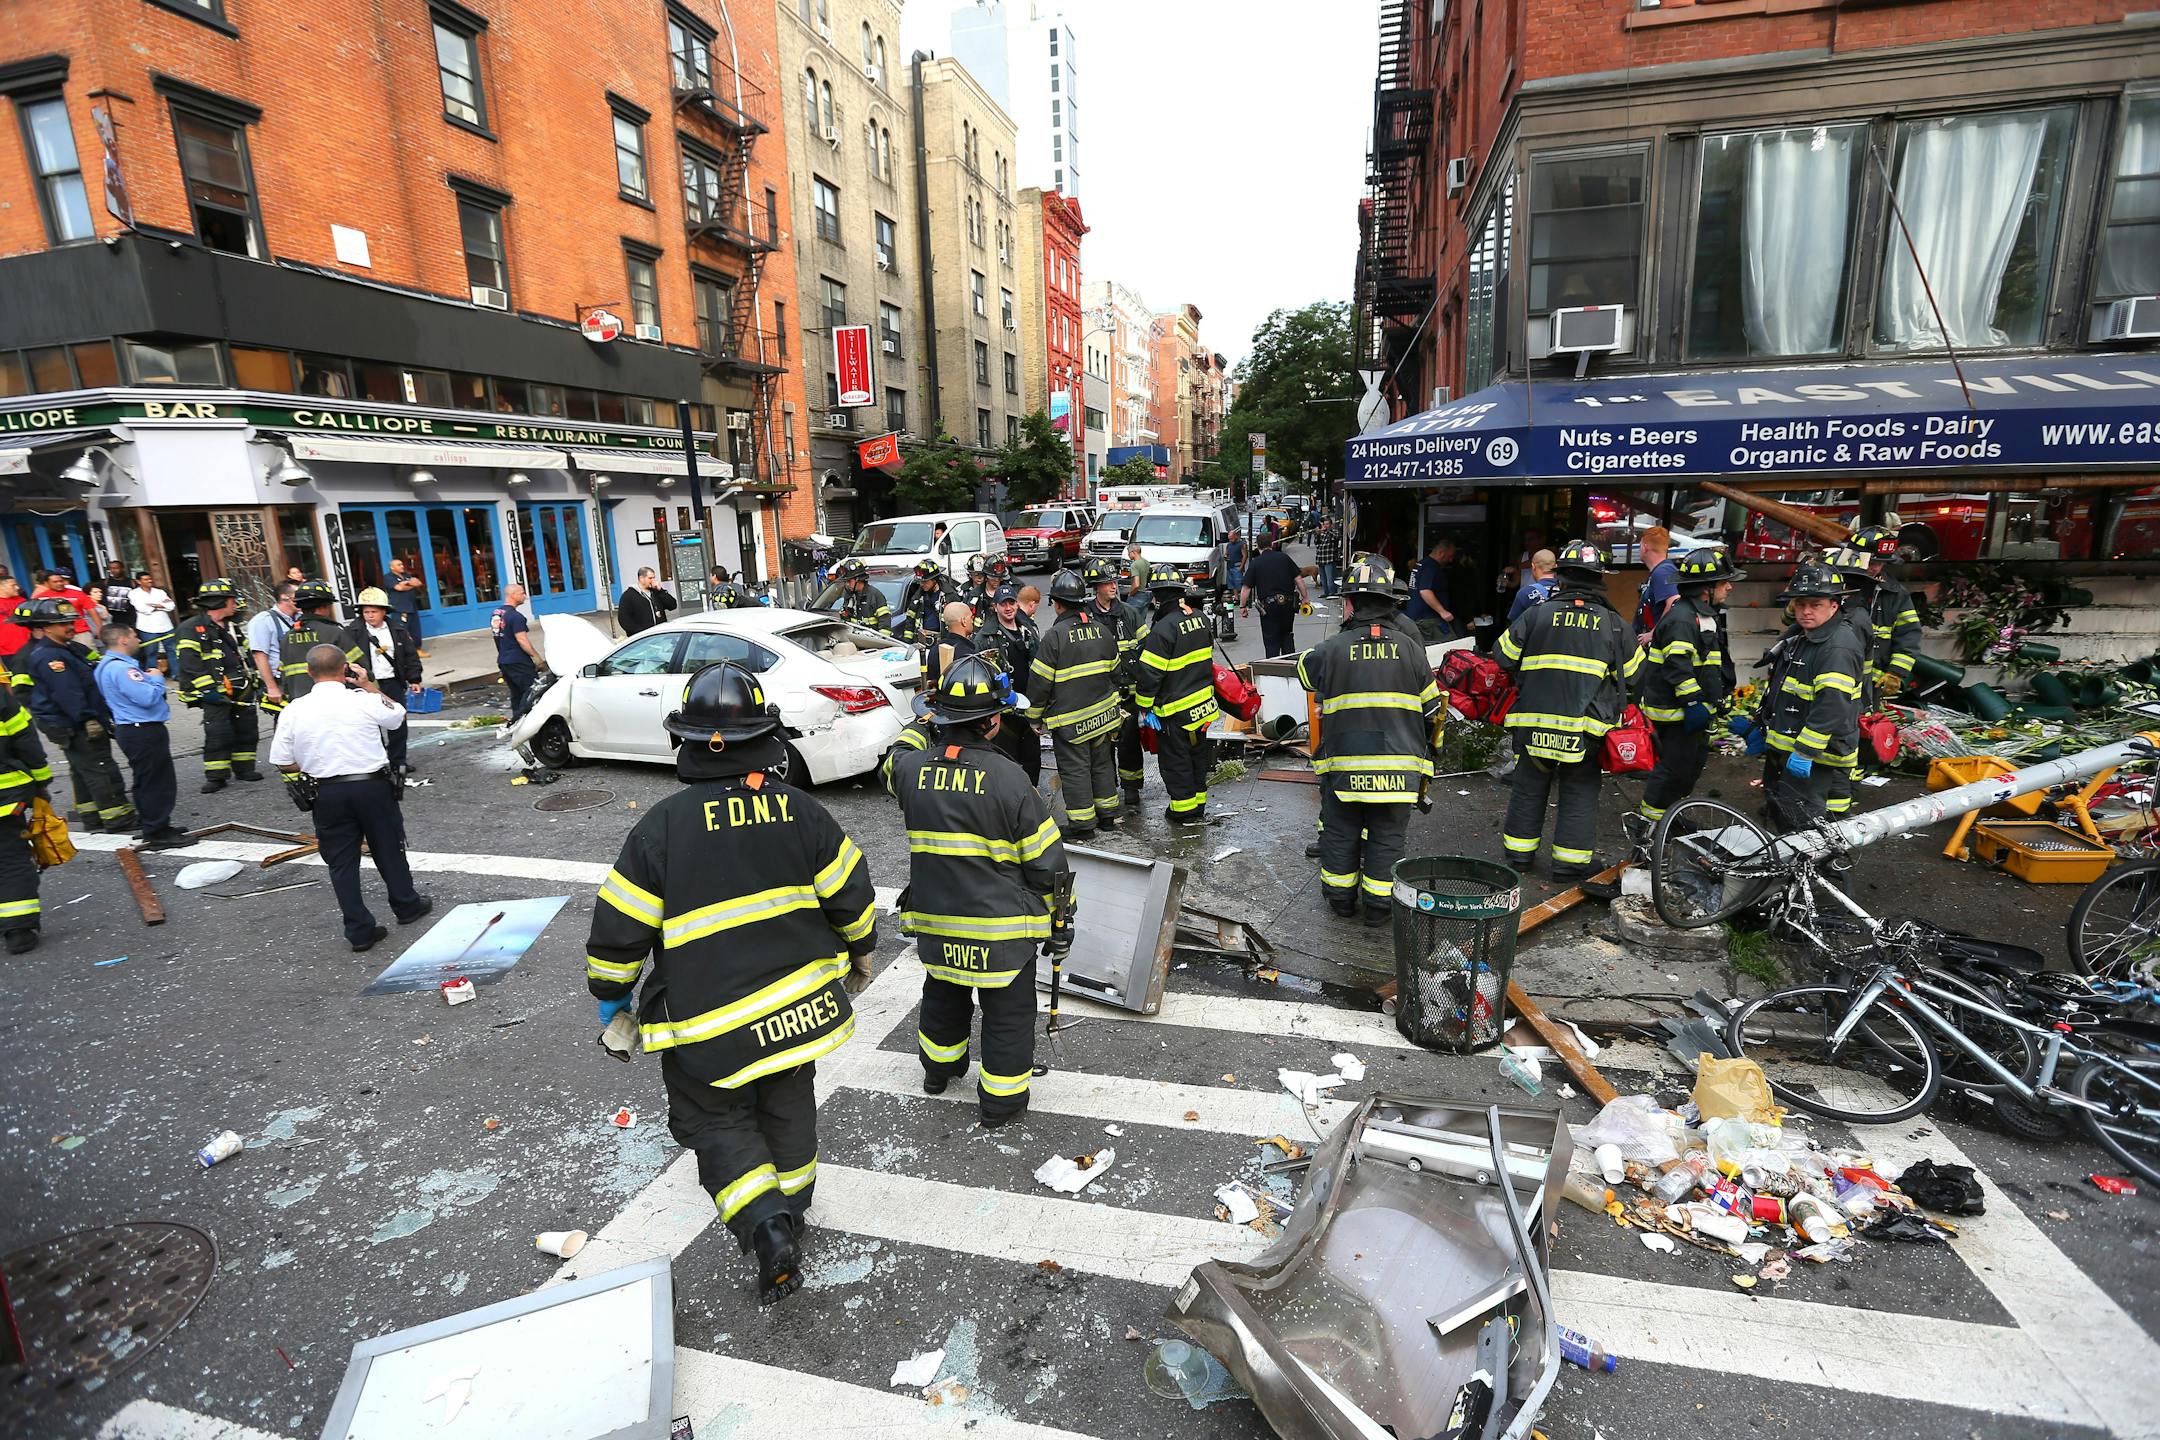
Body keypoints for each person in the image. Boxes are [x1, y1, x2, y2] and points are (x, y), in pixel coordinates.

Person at [584, 660, 877, 1305]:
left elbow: (619, 931)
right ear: (766, 740)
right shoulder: (802, 812)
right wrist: (860, 953)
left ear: (684, 741)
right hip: (800, 1010)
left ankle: (765, 1221)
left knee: (713, 1120)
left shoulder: (662, 827)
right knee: (789, 1099)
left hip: (709, 1028)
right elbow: (853, 899)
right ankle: (793, 1204)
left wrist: (612, 997)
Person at [893, 652, 1072, 1130]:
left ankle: (938, 1069)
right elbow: (1046, 862)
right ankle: (1001, 1099)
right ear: (993, 721)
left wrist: (921, 724)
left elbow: (894, 758)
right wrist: (1061, 917)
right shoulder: (1010, 779)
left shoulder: (910, 771)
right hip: (999, 929)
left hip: (935, 919)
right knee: (1008, 1011)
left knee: (943, 994)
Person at [1295, 555, 1444, 923]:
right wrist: (1431, 755)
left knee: (1341, 831)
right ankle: (1379, 908)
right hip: (1400, 765)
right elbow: (1432, 710)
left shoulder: (1331, 650)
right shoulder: (1411, 648)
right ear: (1392, 602)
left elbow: (1305, 674)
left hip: (1346, 766)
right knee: (1387, 836)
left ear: (1351, 603)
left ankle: (1340, 901)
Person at [269, 644, 431, 951]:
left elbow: (281, 760)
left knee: (341, 862)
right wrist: (369, 685)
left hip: (327, 790)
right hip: (372, 787)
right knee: (389, 849)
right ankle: (406, 906)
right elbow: (397, 716)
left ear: (309, 672)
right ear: (345, 668)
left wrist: (316, 764)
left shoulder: (293, 710)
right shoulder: (363, 700)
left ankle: (359, 930)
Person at [1494, 541, 1640, 881]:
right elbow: (1634, 676)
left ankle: (1518, 858)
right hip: (1584, 732)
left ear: (1561, 579)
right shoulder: (1615, 625)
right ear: (1599, 579)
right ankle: (1569, 865)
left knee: (1529, 788)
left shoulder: (1536, 615)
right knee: (1579, 790)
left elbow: (1502, 657)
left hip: (1533, 726)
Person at [1631, 547, 1743, 843]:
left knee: (1688, 768)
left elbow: (1708, 662)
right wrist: (1694, 702)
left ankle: (1670, 817)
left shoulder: (1700, 614)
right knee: (1672, 770)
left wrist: (1720, 696)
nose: (1729, 587)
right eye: (1723, 582)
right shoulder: (1683, 618)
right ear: (1706, 588)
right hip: (1674, 710)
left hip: (1689, 709)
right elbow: (1678, 666)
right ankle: (1650, 827)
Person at [1760, 560, 1865, 831]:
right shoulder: (1805, 637)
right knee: (1792, 817)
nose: (1806, 611)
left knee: (1804, 826)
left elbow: (1831, 707)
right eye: (1801, 604)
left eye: (1815, 604)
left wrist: (1805, 751)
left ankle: (1812, 870)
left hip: (1818, 756)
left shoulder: (1837, 647)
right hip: (1795, 748)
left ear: (1834, 605)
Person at [21, 598, 136, 833]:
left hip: (68, 721)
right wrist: (88, 719)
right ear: (46, 627)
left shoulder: (68, 648)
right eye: (63, 623)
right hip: (74, 722)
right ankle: (118, 818)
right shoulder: (51, 657)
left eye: (72, 620)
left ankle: (92, 816)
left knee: (83, 770)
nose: (71, 626)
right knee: (100, 767)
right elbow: (68, 694)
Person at [1029, 569, 1123, 836]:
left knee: (1076, 770)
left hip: (1071, 723)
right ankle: (1107, 816)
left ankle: (1083, 825)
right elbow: (1116, 673)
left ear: (1057, 604)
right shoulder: (1102, 631)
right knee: (1103, 765)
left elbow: (1040, 683)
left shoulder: (1055, 636)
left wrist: (1034, 718)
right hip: (1104, 717)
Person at [1134, 577, 1220, 825]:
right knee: (1198, 758)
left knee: (1176, 762)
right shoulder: (1200, 618)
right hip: (1202, 707)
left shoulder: (1163, 629)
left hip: (1175, 712)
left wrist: (1144, 706)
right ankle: (1199, 805)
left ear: (1157, 598)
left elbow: (1150, 673)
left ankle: (1182, 811)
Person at [93, 623, 188, 849]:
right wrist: (156, 678)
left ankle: (153, 825)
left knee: (145, 780)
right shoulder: (123, 669)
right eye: (134, 635)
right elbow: (146, 697)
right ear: (123, 640)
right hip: (143, 729)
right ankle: (158, 833)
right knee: (157, 782)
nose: (138, 639)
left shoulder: (105, 665)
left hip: (132, 728)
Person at [175, 579, 264, 791]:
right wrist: (209, 690)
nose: (236, 604)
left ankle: (244, 769)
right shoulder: (190, 628)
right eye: (232, 599)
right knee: (218, 733)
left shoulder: (232, 626)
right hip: (215, 693)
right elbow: (190, 663)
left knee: (247, 730)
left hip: (242, 689)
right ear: (221, 602)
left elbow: (247, 654)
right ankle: (216, 776)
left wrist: (257, 680)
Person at [1085, 557, 1148, 806]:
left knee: (1130, 746)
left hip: (1129, 697)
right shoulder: (1086, 616)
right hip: (1100, 698)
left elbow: (1146, 650)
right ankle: (1106, 788)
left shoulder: (1130, 614)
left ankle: (1132, 788)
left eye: (1114, 581)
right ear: (1096, 586)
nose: (1113, 586)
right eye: (1107, 582)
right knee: (1101, 750)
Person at [344, 587, 424, 775]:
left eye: (374, 611)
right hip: (364, 684)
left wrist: (414, 679)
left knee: (398, 722)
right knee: (369, 724)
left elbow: (410, 655)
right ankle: (378, 763)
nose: (370, 616)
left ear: (384, 611)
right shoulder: (352, 632)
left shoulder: (397, 630)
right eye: (366, 612)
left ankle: (398, 761)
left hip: (392, 682)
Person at [0, 675, 53, 952]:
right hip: (3, 801)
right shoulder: (3, 701)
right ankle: (18, 929)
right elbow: (27, 742)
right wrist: (41, 783)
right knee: (10, 860)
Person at [1848, 526, 1924, 690]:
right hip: (1835, 675)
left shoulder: (1896, 593)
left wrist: (1896, 672)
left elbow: (1909, 634)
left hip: (1872, 684)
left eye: (1880, 563)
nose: (1874, 568)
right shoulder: (1836, 585)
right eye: (1870, 561)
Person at [980, 583, 1041, 785]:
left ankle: (1032, 796)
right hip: (1003, 714)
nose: (1008, 608)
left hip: (1029, 709)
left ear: (1017, 605)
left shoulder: (1029, 631)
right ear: (995, 607)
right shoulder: (984, 638)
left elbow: (1041, 668)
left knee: (1033, 760)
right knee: (1006, 764)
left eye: (1012, 603)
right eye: (1003, 604)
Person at [1238, 537, 1307, 659]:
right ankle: (1291, 666)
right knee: (1287, 635)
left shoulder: (1256, 563)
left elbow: (1246, 588)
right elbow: (1298, 579)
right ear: (1271, 544)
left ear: (1258, 546)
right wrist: (1305, 597)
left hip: (1268, 607)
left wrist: (1243, 606)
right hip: (1288, 605)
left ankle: (1274, 669)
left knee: (1271, 641)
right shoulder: (1284, 558)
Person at [248, 581, 301, 715]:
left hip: (299, 680)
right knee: (286, 723)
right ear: (285, 598)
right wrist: (272, 688)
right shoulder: (263, 621)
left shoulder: (299, 618)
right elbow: (260, 656)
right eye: (299, 595)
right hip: (281, 683)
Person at [492, 585, 542, 720]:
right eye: (522, 593)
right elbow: (522, 640)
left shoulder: (497, 614)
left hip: (504, 660)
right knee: (531, 692)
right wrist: (536, 657)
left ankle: (517, 721)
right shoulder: (516, 616)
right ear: (513, 595)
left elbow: (497, 637)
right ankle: (529, 723)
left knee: (516, 695)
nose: (525, 596)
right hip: (518, 661)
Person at [126, 571, 178, 672]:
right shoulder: (134, 593)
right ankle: (151, 676)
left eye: (150, 579)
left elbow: (171, 606)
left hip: (166, 626)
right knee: (151, 652)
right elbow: (142, 608)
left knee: (172, 650)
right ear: (138, 581)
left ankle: (176, 674)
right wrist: (160, 606)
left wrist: (154, 605)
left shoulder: (159, 592)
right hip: (147, 627)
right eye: (145, 579)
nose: (149, 581)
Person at [1636, 526, 1680, 636]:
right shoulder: (1660, 571)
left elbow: (1674, 602)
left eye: (1640, 545)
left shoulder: (1663, 571)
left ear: (1645, 547)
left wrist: (1652, 634)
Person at [925, 600, 978, 691]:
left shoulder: (934, 650)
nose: (972, 621)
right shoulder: (968, 654)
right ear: (963, 621)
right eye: (970, 618)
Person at [385, 556, 428, 656]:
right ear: (392, 567)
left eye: (402, 564)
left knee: (415, 630)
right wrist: (409, 584)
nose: (402, 566)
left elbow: (418, 583)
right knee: (401, 631)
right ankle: (404, 653)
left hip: (412, 607)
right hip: (400, 608)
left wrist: (407, 583)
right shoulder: (388, 577)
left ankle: (418, 649)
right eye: (399, 565)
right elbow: (399, 588)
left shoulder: (406, 574)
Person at [830, 558, 891, 628]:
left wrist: (878, 639)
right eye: (846, 581)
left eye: (849, 581)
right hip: (855, 637)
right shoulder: (849, 595)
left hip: (871, 638)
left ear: (858, 579)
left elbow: (885, 626)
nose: (847, 584)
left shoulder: (875, 595)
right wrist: (845, 616)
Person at [617, 566, 678, 636]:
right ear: (641, 578)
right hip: (643, 638)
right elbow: (624, 619)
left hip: (661, 636)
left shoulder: (656, 592)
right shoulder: (628, 595)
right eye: (650, 578)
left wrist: (661, 590)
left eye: (654, 578)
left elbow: (672, 605)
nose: (653, 580)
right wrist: (640, 633)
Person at [33, 571, 99, 634]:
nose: (59, 583)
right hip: (56, 634)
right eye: (55, 582)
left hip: (80, 632)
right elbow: (30, 613)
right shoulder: (41, 598)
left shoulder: (78, 593)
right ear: (47, 583)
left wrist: (99, 628)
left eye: (61, 581)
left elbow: (92, 611)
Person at [1507, 549, 1559, 622]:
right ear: (1556, 567)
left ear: (1533, 567)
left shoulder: (1524, 593)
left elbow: (1514, 626)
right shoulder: (1567, 591)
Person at [902, 558, 948, 640]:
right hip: (922, 640)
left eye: (925, 582)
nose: (921, 584)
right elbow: (910, 622)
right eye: (920, 582)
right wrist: (907, 641)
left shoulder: (949, 596)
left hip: (943, 641)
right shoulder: (917, 597)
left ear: (935, 579)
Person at [1312, 515, 1344, 598]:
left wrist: (1327, 531)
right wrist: (1318, 533)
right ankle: (1326, 592)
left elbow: (1336, 537)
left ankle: (1332, 592)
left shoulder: (1334, 532)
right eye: (1324, 524)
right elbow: (1316, 542)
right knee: (1323, 578)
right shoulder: (1320, 533)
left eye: (1327, 524)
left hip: (1329, 558)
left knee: (1330, 577)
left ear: (1331, 525)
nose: (1325, 526)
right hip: (1320, 558)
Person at [0, 578, 29, 662]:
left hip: (30, 647)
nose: (17, 588)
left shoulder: (23, 601)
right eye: (13, 585)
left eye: (17, 585)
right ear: (1, 587)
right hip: (7, 652)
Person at [101, 562, 135, 631]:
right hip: (112, 617)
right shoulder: (106, 582)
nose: (113, 570)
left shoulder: (131, 582)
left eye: (116, 568)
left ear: (122, 569)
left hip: (128, 617)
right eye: (111, 568)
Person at [1223, 527, 1246, 595]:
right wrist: (1225, 557)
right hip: (1230, 565)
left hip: (1237, 565)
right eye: (1229, 539)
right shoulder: (1229, 545)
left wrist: (1241, 566)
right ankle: (1236, 597)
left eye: (1232, 538)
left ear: (1236, 536)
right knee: (1232, 583)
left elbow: (1245, 555)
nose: (1231, 540)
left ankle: (1242, 597)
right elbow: (1226, 553)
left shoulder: (1241, 544)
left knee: (1239, 583)